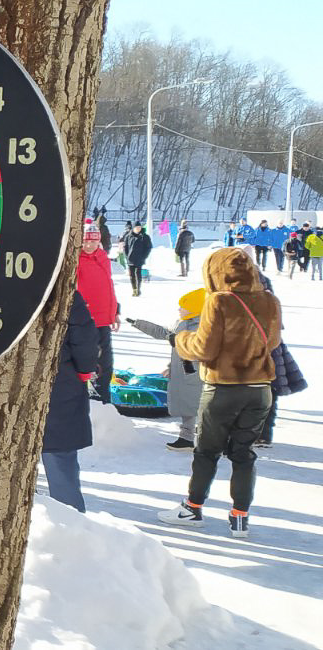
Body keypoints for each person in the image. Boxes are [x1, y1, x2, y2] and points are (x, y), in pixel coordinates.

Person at [158, 248, 281, 539]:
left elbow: (204, 348)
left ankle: (192, 508)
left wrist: (181, 339)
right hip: (260, 390)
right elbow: (272, 342)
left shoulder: (219, 301)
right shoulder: (269, 300)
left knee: (206, 452)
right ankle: (240, 517)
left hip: (223, 389)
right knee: (243, 454)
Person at [125, 288, 206, 451]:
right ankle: (187, 438)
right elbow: (163, 333)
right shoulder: (181, 323)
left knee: (197, 404)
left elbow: (199, 350)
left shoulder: (202, 327)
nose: (179, 309)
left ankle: (204, 439)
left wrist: (182, 354)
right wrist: (139, 324)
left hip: (195, 372)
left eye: (183, 306)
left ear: (194, 309)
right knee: (187, 404)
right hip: (183, 371)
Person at [43, 293, 98, 512]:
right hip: (59, 381)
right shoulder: (62, 291)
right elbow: (84, 336)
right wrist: (85, 370)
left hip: (7, 387)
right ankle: (69, 519)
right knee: (59, 458)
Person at [76, 220, 120, 404]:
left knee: (105, 363)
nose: (89, 245)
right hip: (85, 320)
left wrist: (115, 311)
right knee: (88, 361)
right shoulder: (77, 260)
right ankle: (88, 399)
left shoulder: (102, 258)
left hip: (103, 320)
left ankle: (102, 399)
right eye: (86, 241)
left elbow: (109, 286)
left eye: (93, 241)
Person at [123, 223, 152, 296]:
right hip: (130, 259)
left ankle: (138, 289)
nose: (138, 229)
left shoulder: (145, 237)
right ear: (133, 228)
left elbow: (148, 247)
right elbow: (125, 247)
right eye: (136, 227)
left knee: (138, 274)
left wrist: (144, 256)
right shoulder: (128, 236)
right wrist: (127, 256)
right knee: (131, 275)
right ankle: (134, 289)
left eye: (139, 227)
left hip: (139, 258)